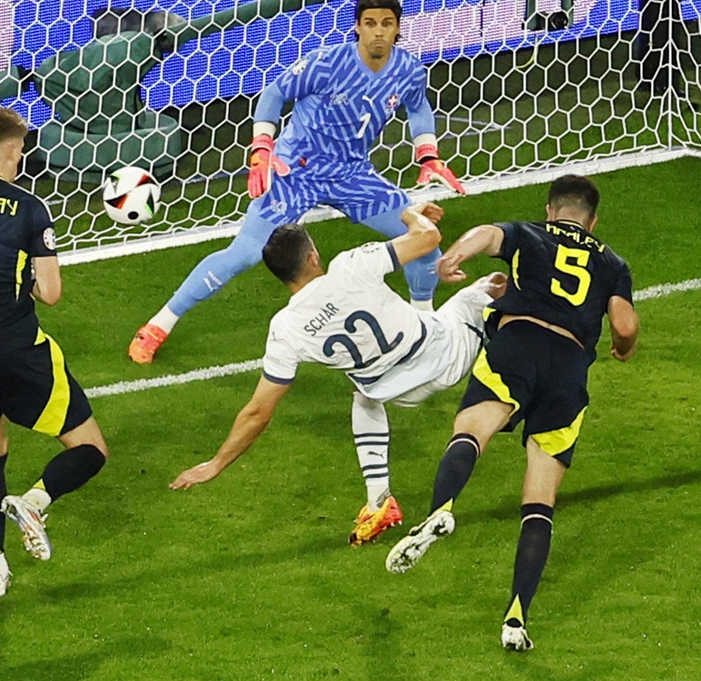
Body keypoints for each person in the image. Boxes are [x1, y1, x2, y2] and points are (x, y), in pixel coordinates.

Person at [128, 0, 465, 364]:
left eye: (387, 24)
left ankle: (425, 329)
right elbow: (274, 94)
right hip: (295, 171)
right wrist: (261, 148)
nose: (378, 33)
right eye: (370, 24)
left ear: (399, 29)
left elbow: (418, 107)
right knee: (245, 253)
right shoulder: (325, 63)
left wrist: (428, 153)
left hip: (352, 175)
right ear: (357, 27)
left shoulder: (409, 70)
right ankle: (158, 325)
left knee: (423, 241)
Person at [384, 175, 640, 652]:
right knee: (539, 501)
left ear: (550, 210)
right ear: (594, 220)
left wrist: (457, 254)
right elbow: (623, 323)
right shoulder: (613, 262)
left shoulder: (531, 232)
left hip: (518, 344)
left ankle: (441, 509)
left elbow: (486, 232)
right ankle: (516, 618)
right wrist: (624, 346)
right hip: (568, 371)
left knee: (472, 430)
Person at [170, 205, 505, 546]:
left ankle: (379, 500)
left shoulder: (285, 329)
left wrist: (215, 463)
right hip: (446, 354)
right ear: (313, 256)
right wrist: (410, 213)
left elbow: (257, 412)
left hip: (396, 391)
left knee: (363, 395)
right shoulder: (351, 266)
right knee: (486, 288)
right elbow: (428, 237)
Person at [0, 106, 110, 598]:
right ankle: (35, 500)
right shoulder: (29, 206)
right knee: (91, 449)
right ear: (13, 150)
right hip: (15, 348)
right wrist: (19, 277)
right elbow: (50, 292)